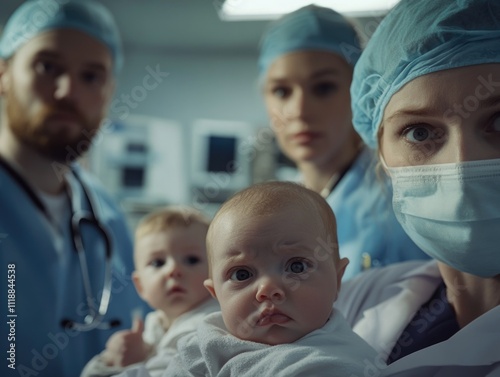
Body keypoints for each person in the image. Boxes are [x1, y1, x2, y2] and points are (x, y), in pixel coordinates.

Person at [335, 0, 500, 375]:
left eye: (499, 120)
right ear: (382, 158)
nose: (461, 165)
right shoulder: (355, 301)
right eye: (419, 132)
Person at [0, 1, 149, 375]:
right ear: (4, 74)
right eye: (47, 67)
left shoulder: (107, 215)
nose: (69, 91)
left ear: (110, 90)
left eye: (91, 76)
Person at [258, 5, 429, 280]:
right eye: (281, 91)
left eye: (323, 87)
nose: (299, 110)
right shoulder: (276, 210)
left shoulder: (404, 200)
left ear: (358, 90)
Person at [150, 181, 378, 377]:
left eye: (297, 267)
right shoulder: (204, 344)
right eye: (242, 274)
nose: (267, 289)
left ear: (337, 281)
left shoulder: (346, 360)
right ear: (216, 294)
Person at [81, 206, 219, 377]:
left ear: (216, 273)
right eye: (158, 263)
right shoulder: (156, 325)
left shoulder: (210, 326)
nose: (173, 270)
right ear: (140, 286)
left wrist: (128, 364)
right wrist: (110, 359)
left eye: (191, 259)